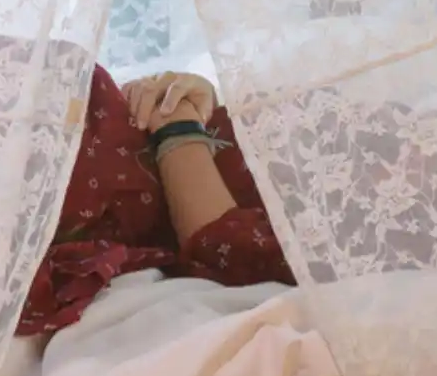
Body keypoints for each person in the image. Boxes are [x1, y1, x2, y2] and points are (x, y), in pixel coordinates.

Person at [17, 65, 294, 336]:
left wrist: (178, 126)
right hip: (98, 116)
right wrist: (183, 95)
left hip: (103, 183)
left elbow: (225, 245)